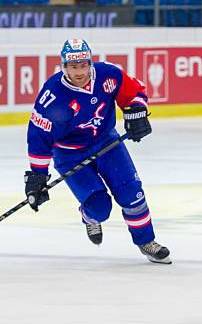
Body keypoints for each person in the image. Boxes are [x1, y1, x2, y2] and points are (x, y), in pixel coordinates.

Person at [24, 38, 171, 264]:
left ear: (90, 63)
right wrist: (37, 175)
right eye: (73, 67)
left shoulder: (108, 75)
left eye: (83, 65)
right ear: (64, 66)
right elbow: (39, 137)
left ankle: (146, 241)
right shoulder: (52, 96)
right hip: (69, 154)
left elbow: (134, 92)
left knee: (132, 194)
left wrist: (137, 111)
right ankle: (89, 217)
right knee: (100, 208)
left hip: (107, 143)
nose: (79, 72)